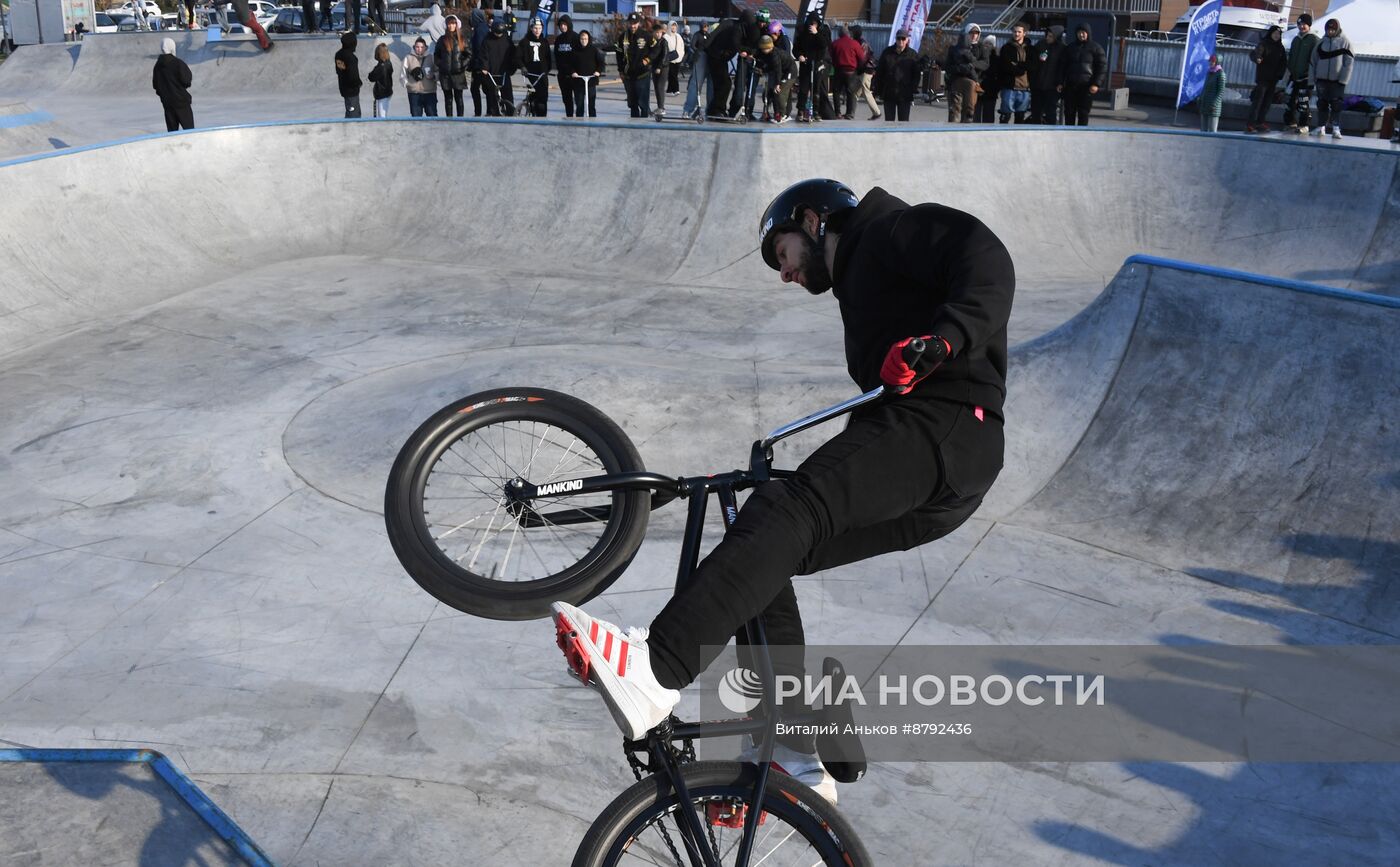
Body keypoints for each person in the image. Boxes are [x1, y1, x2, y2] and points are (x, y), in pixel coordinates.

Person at [549, 178, 1014, 805]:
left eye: (783, 253)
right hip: (942, 473)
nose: (785, 273)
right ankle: (795, 749)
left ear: (814, 219)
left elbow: (986, 258)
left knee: (788, 511)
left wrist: (946, 338)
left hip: (947, 424)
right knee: (769, 546)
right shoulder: (861, 284)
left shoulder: (889, 228)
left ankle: (656, 668)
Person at [1310, 18, 1353, 140]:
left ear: (1337, 29)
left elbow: (1349, 63)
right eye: (1328, 29)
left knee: (1336, 104)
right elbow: (1313, 61)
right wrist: (1312, 79)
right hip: (1322, 80)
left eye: (1333, 29)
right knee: (1321, 104)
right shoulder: (1321, 43)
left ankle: (1336, 128)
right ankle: (1321, 127)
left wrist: (1343, 80)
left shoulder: (1345, 42)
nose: (1330, 31)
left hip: (1337, 81)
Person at [1059, 23, 1105, 126]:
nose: (1081, 35)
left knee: (1083, 113)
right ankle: (1068, 135)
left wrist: (1096, 84)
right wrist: (1060, 82)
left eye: (1084, 32)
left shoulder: (1096, 48)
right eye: (1079, 32)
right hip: (1071, 86)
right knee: (1069, 112)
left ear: (1088, 33)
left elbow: (1101, 68)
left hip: (1086, 87)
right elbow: (1062, 66)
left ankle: (1082, 135)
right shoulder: (1070, 48)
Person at [945, 22, 989, 123]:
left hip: (974, 82)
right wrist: (961, 68)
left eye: (976, 33)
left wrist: (972, 65)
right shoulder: (955, 48)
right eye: (971, 33)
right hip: (957, 80)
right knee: (955, 111)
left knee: (969, 110)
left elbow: (985, 64)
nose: (974, 35)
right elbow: (948, 66)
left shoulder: (981, 48)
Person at [1245, 26, 1286, 133]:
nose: (1276, 36)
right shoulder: (1264, 44)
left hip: (1273, 79)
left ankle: (1260, 122)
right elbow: (1254, 54)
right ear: (1270, 34)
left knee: (1267, 102)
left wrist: (1279, 75)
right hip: (1263, 78)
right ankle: (1251, 123)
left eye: (1278, 34)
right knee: (1258, 101)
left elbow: (1283, 63)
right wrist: (1257, 58)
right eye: (1275, 33)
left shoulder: (1280, 47)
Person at [872, 28, 919, 122]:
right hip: (889, 93)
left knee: (904, 123)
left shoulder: (912, 54)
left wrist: (912, 88)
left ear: (907, 40)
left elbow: (916, 74)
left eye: (903, 38)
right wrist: (877, 90)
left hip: (905, 95)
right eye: (898, 38)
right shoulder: (887, 52)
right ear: (896, 39)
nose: (901, 41)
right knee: (889, 123)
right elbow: (880, 72)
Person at [1284, 14, 1319, 133]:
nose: (1301, 26)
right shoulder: (1296, 39)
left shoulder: (1313, 40)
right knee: (1290, 101)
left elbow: (1316, 59)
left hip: (1306, 78)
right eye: (1299, 24)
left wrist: (1310, 73)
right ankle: (1291, 122)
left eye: (1304, 24)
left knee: (1303, 101)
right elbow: (1292, 56)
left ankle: (1304, 124)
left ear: (1309, 25)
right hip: (1294, 77)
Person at [793, 12, 830, 123]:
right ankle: (800, 110)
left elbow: (824, 44)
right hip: (806, 64)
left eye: (815, 24)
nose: (813, 26)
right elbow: (796, 48)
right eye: (811, 24)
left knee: (816, 89)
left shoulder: (822, 31)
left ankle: (816, 112)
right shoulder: (802, 32)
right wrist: (799, 55)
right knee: (803, 89)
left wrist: (816, 33)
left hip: (817, 63)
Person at [616, 12, 653, 118]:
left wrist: (648, 60)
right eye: (631, 23)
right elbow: (618, 54)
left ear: (639, 23)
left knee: (643, 104)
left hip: (642, 75)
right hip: (628, 76)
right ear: (628, 23)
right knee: (633, 104)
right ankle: (633, 128)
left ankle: (644, 125)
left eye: (635, 23)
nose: (633, 26)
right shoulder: (623, 37)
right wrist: (620, 71)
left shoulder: (646, 35)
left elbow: (656, 49)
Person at [152, 37, 194, 131]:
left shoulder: (157, 66)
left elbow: (155, 85)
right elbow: (187, 81)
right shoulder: (178, 63)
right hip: (182, 103)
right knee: (189, 131)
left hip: (167, 104)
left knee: (172, 133)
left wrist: (164, 94)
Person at [1027, 25, 1064, 124]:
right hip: (1038, 85)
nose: (1048, 38)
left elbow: (1063, 68)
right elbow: (1032, 62)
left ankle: (1051, 132)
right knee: (1036, 111)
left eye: (1051, 36)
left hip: (1052, 87)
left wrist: (1060, 83)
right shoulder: (1040, 45)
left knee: (1050, 112)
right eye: (1047, 35)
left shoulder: (1062, 49)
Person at [755, 33, 795, 122]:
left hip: (790, 71)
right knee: (773, 92)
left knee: (780, 92)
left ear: (769, 47)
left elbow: (778, 70)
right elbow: (762, 61)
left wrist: (777, 84)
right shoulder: (764, 53)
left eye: (765, 48)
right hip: (780, 71)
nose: (763, 50)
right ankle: (777, 113)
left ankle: (783, 115)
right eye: (762, 49)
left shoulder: (774, 55)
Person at [481, 17, 517, 116]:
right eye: (497, 33)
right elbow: (484, 55)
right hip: (491, 73)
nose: (498, 35)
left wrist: (512, 69)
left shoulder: (507, 41)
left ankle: (510, 113)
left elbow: (513, 56)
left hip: (504, 72)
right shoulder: (487, 40)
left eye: (500, 33)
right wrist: (484, 67)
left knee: (508, 95)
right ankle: (494, 113)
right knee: (492, 95)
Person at [435, 15, 470, 117]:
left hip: (458, 74)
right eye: (449, 24)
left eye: (453, 23)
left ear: (457, 25)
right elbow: (436, 55)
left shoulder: (462, 39)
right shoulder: (442, 40)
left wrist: (461, 65)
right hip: (445, 75)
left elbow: (469, 54)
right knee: (448, 99)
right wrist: (441, 64)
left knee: (459, 98)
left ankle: (460, 118)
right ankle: (449, 119)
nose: (451, 26)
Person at [998, 24, 1031, 124]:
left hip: (1025, 88)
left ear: (1024, 33)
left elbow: (1033, 65)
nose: (1016, 34)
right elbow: (1005, 65)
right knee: (1005, 115)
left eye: (1019, 32)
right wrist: (1021, 68)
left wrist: (1018, 64)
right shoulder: (1006, 48)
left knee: (1020, 117)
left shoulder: (1030, 49)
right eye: (1014, 31)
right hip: (1009, 87)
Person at [519, 17, 551, 116]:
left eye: (540, 28)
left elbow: (548, 58)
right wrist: (522, 67)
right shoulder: (524, 42)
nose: (537, 30)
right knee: (535, 96)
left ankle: (542, 117)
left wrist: (546, 70)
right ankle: (531, 109)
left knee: (543, 99)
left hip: (542, 75)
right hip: (530, 74)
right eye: (535, 28)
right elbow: (517, 57)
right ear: (531, 28)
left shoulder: (545, 42)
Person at [682, 21, 714, 118]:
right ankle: (688, 109)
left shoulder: (709, 35)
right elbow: (692, 45)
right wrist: (696, 52)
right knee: (696, 83)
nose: (705, 28)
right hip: (700, 56)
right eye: (704, 26)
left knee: (711, 85)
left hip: (710, 57)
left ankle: (710, 109)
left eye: (706, 26)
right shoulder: (697, 34)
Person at [829, 25, 862, 119]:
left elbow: (830, 56)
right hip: (851, 72)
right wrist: (858, 69)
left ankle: (837, 113)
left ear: (839, 34)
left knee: (836, 92)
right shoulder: (854, 43)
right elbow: (861, 58)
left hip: (839, 71)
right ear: (848, 33)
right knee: (850, 93)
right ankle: (849, 113)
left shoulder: (835, 43)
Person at [850, 25, 882, 121]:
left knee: (866, 91)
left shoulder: (862, 43)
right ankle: (851, 114)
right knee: (854, 92)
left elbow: (862, 59)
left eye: (852, 32)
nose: (850, 34)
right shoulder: (858, 41)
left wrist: (856, 69)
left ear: (856, 33)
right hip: (862, 70)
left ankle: (877, 112)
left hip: (866, 70)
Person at [572, 28, 605, 117]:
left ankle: (592, 121)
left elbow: (601, 63)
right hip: (578, 81)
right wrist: (573, 72)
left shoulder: (593, 50)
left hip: (590, 81)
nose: (584, 41)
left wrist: (598, 71)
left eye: (585, 39)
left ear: (588, 39)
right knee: (579, 104)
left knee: (591, 104)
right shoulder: (575, 50)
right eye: (582, 39)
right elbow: (569, 64)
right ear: (579, 39)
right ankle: (579, 122)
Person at [403, 36, 439, 117]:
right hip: (414, 93)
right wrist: (408, 84)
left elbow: (439, 71)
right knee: (416, 118)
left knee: (432, 116)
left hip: (429, 93)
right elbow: (403, 74)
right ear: (414, 47)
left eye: (422, 47)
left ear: (425, 47)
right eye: (417, 47)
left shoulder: (431, 57)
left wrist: (433, 76)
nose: (419, 49)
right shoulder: (408, 58)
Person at [468, 1, 491, 115]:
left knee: (476, 89)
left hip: (479, 66)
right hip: (482, 64)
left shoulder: (480, 30)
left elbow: (478, 48)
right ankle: (488, 111)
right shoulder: (483, 27)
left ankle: (479, 112)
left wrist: (475, 64)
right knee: (485, 89)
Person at [554, 15, 579, 117]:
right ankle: (569, 117)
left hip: (575, 75)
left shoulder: (576, 37)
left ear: (569, 25)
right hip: (563, 75)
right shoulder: (559, 39)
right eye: (561, 25)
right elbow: (556, 55)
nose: (563, 27)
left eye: (565, 25)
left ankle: (579, 118)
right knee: (566, 99)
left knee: (578, 99)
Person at [335, 31, 362, 117]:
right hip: (352, 90)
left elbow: (339, 70)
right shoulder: (351, 58)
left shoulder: (338, 54)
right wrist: (358, 83)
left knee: (350, 110)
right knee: (354, 114)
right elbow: (353, 75)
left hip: (343, 87)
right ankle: (351, 129)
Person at [1199, 53, 1226, 133]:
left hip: (1214, 106)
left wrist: (1214, 103)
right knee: (1203, 130)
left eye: (1213, 61)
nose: (1211, 63)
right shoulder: (1209, 73)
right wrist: (1201, 98)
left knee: (1212, 130)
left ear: (1217, 62)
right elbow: (1205, 87)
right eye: (1210, 61)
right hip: (1205, 103)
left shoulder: (1221, 74)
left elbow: (1221, 91)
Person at [649, 21, 671, 116]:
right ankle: (659, 107)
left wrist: (659, 67)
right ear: (653, 33)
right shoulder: (653, 42)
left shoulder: (663, 42)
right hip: (654, 67)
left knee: (660, 87)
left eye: (660, 32)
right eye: (656, 32)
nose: (658, 34)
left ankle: (661, 108)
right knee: (656, 88)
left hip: (663, 68)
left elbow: (664, 56)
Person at [976, 34, 999, 122]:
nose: (987, 45)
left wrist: (997, 88)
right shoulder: (978, 56)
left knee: (989, 116)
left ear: (993, 46)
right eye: (986, 43)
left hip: (991, 91)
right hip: (978, 88)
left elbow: (999, 75)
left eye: (990, 44)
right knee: (975, 116)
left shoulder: (996, 59)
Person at [368, 42, 393, 117]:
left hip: (382, 92)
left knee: (382, 115)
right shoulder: (389, 63)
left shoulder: (380, 67)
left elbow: (371, 77)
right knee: (384, 112)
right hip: (388, 91)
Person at [665, 20, 685, 95]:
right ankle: (676, 89)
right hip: (669, 59)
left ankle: (670, 90)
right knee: (672, 75)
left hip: (678, 59)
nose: (673, 27)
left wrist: (681, 55)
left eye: (675, 26)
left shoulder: (678, 36)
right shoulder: (666, 37)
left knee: (674, 75)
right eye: (672, 26)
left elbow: (682, 47)